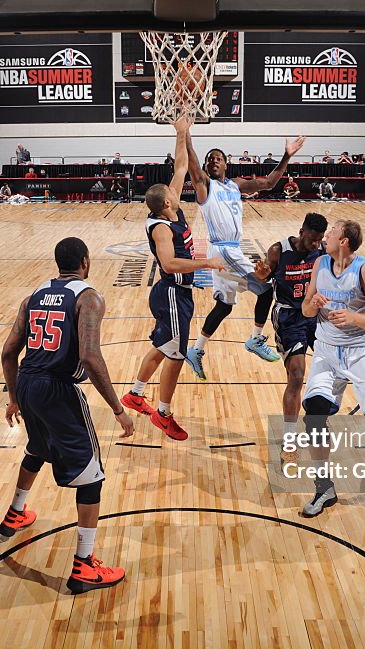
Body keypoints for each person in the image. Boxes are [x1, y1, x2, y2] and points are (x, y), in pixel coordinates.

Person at [0, 238, 134, 594]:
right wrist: (118, 409)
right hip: (58, 390)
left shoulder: (33, 296)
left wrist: (14, 397)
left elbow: (9, 352)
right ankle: (84, 565)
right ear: (86, 262)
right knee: (91, 477)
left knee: (38, 448)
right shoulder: (89, 298)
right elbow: (90, 357)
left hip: (28, 383)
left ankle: (16, 512)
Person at [120, 117, 226, 440]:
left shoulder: (173, 208)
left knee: (163, 344)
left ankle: (136, 394)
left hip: (175, 294)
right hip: (170, 292)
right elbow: (167, 263)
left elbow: (181, 166)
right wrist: (205, 262)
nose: (177, 187)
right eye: (172, 191)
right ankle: (163, 413)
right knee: (177, 354)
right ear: (166, 202)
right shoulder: (162, 227)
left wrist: (182, 130)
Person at [183, 130, 307, 379]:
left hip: (228, 250)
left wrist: (286, 156)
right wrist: (185, 133)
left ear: (226, 164)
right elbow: (193, 164)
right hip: (225, 249)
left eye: (218, 158)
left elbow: (270, 183)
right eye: (210, 159)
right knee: (266, 288)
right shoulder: (205, 186)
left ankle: (195, 350)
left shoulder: (236, 185)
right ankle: (255, 339)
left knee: (224, 306)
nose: (213, 161)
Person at [299, 220, 365, 514]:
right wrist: (313, 304)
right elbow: (306, 308)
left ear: (343, 241)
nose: (326, 236)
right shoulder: (320, 264)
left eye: (331, 233)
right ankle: (324, 488)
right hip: (327, 351)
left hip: (362, 349)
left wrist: (355, 318)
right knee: (314, 417)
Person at [252, 213, 327, 464]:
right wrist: (261, 274)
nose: (316, 245)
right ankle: (289, 440)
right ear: (301, 232)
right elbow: (261, 278)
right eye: (312, 240)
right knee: (296, 375)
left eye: (320, 241)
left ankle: (317, 416)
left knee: (334, 368)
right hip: (289, 317)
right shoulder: (279, 250)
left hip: (316, 316)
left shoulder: (323, 251)